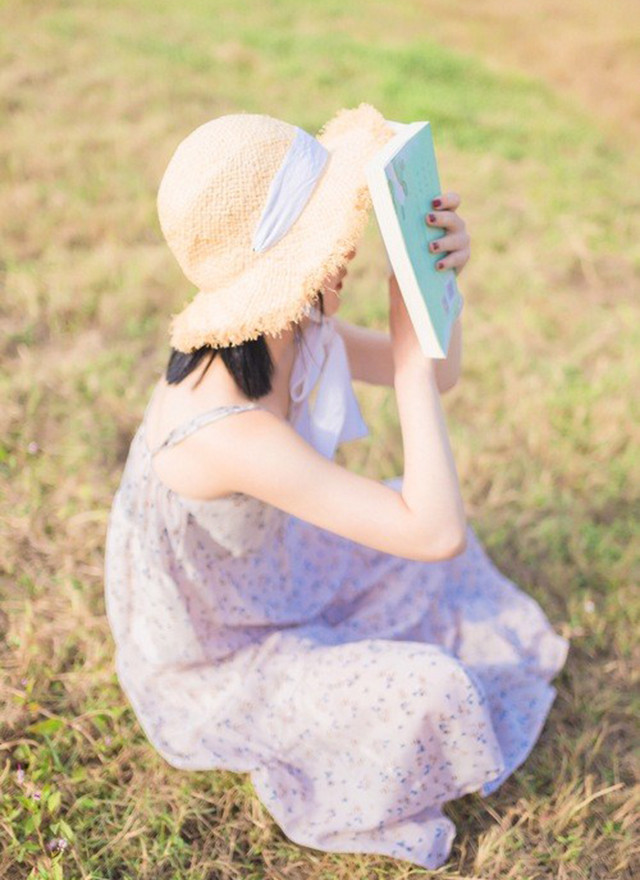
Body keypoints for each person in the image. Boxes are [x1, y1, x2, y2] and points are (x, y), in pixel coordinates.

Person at [103, 103, 569, 871]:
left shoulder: (291, 329)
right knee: (432, 688)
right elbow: (433, 528)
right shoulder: (225, 425)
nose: (348, 244)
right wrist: (412, 357)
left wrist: (436, 283)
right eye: (327, 233)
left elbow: (435, 373)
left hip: (272, 574)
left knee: (427, 560)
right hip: (222, 653)